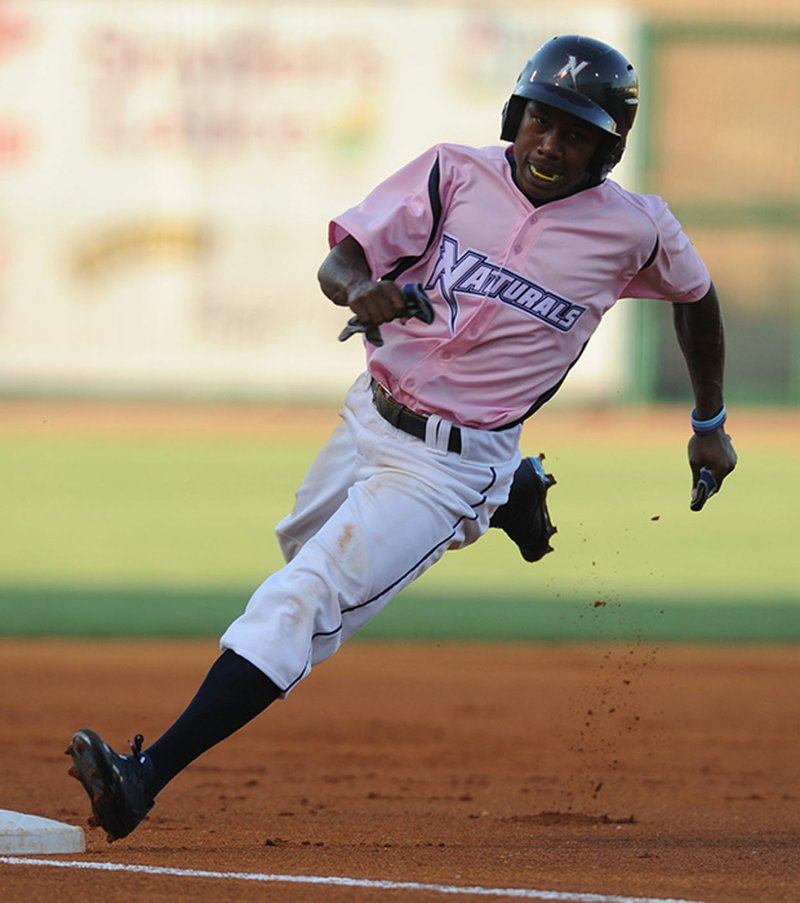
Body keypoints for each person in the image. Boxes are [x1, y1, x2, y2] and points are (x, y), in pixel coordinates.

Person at [66, 34, 737, 843]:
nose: (550, 143)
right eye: (539, 120)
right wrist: (366, 289)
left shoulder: (634, 229)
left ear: (608, 148)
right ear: (515, 114)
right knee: (301, 552)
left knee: (300, 602)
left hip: (447, 467)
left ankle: (144, 777)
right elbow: (340, 263)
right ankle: (512, 492)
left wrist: (709, 424)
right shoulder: (454, 171)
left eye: (575, 132)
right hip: (371, 411)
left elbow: (696, 298)